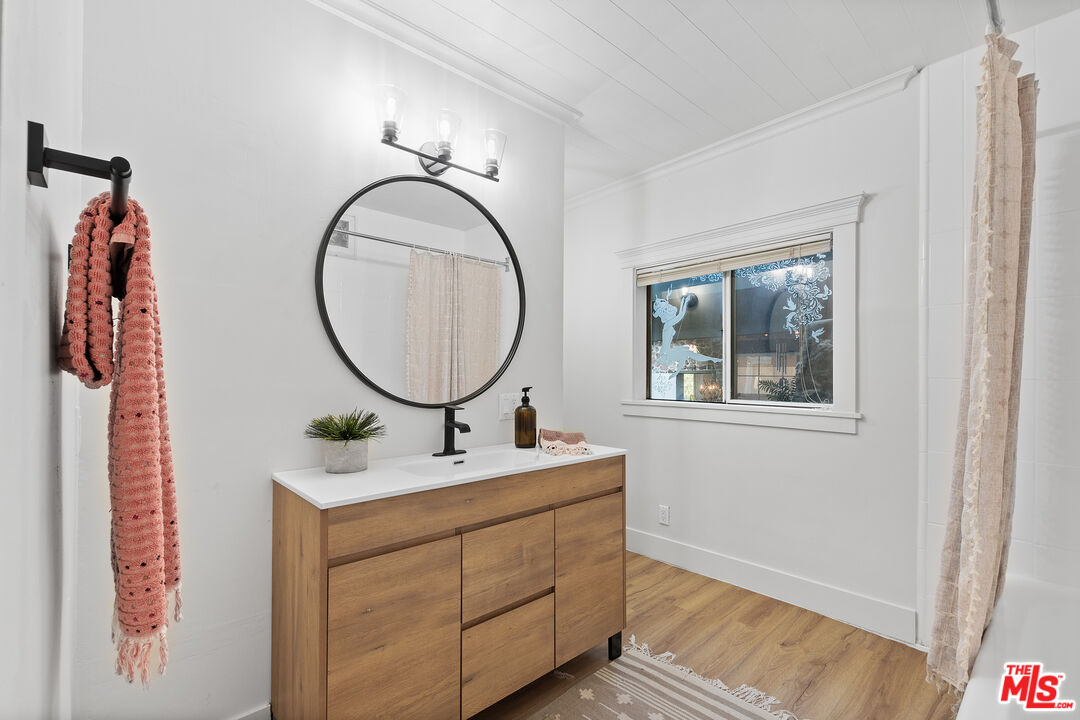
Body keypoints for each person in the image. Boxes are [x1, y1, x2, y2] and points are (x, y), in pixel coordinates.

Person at [651, 291, 721, 372]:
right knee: (688, 353)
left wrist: (684, 301)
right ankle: (712, 359)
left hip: (666, 353)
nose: (670, 308)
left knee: (688, 352)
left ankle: (713, 359)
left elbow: (680, 315)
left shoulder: (668, 324)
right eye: (667, 309)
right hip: (665, 355)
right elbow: (680, 315)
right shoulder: (668, 324)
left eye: (668, 306)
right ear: (664, 314)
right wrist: (685, 301)